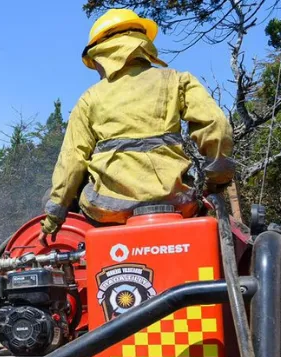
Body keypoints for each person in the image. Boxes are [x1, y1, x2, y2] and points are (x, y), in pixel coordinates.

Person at [40, 8, 235, 244]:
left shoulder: (89, 98)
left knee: (65, 191)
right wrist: (216, 182)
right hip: (176, 204)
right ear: (143, 46)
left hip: (107, 210)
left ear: (102, 56)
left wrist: (53, 218)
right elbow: (216, 126)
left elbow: (72, 162)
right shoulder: (177, 80)